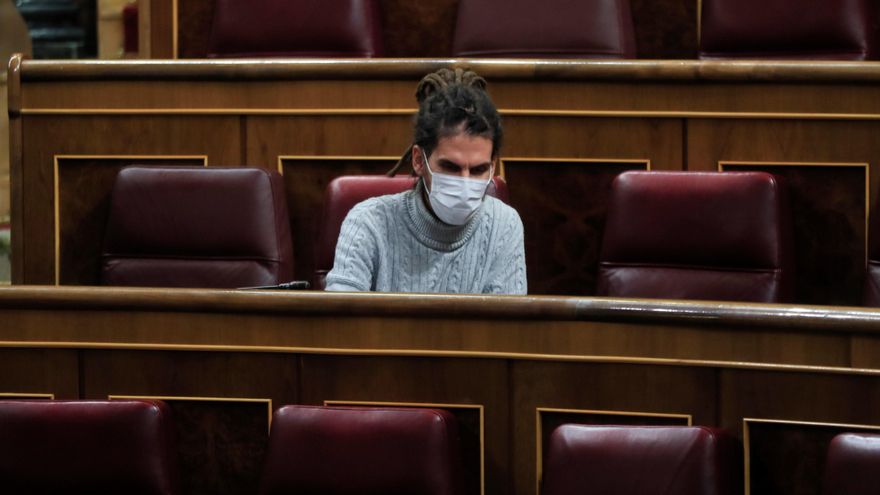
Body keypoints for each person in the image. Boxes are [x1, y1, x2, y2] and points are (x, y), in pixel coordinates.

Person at [324, 68, 527, 294]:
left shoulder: (504, 225)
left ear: (493, 166)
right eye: (450, 167)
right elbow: (341, 316)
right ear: (419, 160)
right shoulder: (367, 223)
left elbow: (506, 317)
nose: (465, 182)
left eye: (478, 169)